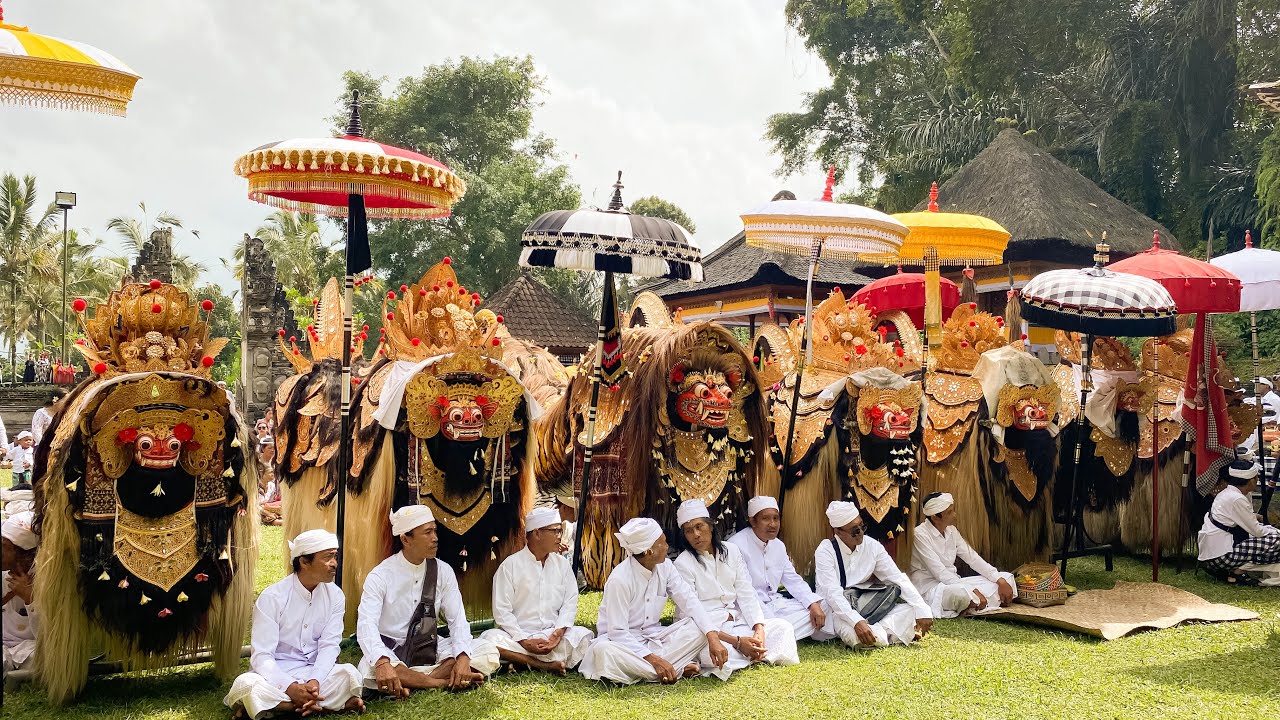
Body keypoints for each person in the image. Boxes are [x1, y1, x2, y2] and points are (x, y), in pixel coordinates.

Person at [357, 505, 498, 696]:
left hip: (429, 649)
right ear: (406, 539)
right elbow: (366, 625)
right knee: (370, 668)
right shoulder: (380, 576)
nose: (435, 538)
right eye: (427, 532)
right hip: (391, 652)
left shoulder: (443, 571)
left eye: (435, 531)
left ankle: (413, 681)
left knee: (487, 651)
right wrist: (382, 662)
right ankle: (440, 682)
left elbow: (457, 620)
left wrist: (463, 658)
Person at [223, 530, 363, 718]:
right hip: (277, 673)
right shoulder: (272, 598)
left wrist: (315, 681)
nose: (334, 564)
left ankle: (279, 708)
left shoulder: (335, 596)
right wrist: (290, 687)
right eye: (328, 557)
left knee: (350, 674)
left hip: (315, 673)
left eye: (335, 557)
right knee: (246, 684)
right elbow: (262, 656)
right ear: (304, 562)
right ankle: (324, 706)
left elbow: (329, 646)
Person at [579, 517, 728, 684]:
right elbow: (617, 632)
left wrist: (712, 636)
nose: (667, 546)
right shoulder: (620, 580)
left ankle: (657, 669)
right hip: (624, 645)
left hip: (656, 637)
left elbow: (688, 600)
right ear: (649, 551)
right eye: (662, 542)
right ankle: (672, 668)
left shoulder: (666, 567)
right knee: (603, 651)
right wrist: (654, 660)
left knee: (701, 628)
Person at [672, 499, 799, 679]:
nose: (696, 535)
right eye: (689, 531)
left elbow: (746, 592)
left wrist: (759, 629)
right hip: (706, 631)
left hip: (736, 623)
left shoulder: (732, 551)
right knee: (715, 651)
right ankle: (755, 654)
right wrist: (738, 642)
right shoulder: (682, 563)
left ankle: (752, 651)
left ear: (710, 526)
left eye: (699, 527)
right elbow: (693, 614)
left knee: (783, 627)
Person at [480, 507, 594, 674]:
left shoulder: (562, 565)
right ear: (537, 533)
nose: (559, 536)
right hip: (518, 637)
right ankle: (544, 665)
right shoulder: (510, 566)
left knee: (584, 636)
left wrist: (558, 634)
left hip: (551, 636)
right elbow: (502, 612)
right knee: (489, 639)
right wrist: (524, 641)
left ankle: (519, 661)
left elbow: (570, 603)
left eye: (560, 531)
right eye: (555, 531)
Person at [814, 501, 933, 647]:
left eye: (862, 527)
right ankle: (888, 633)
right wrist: (857, 621)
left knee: (912, 610)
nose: (861, 533)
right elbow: (833, 594)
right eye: (855, 530)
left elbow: (896, 577)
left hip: (867, 605)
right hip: (837, 611)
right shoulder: (825, 551)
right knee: (856, 638)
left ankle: (878, 633)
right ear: (838, 532)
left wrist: (922, 608)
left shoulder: (872, 546)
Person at [728, 496, 831, 641]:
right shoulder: (736, 545)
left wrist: (812, 604)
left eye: (776, 518)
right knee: (777, 626)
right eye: (766, 519)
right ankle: (780, 633)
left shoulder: (778, 545)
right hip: (749, 610)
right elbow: (746, 593)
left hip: (776, 604)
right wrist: (772, 621)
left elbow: (793, 580)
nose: (773, 524)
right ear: (752, 521)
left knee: (824, 605)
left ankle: (782, 634)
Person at [909, 492, 1017, 617]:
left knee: (1007, 578)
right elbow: (939, 572)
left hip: (956, 582)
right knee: (960, 594)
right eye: (949, 512)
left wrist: (999, 580)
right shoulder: (919, 535)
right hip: (931, 589)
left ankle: (976, 603)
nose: (954, 515)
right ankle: (980, 601)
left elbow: (973, 558)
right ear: (935, 517)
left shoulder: (952, 531)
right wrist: (971, 590)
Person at [1198, 460, 1280, 585]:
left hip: (1212, 554)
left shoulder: (1227, 493)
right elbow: (1257, 531)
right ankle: (1238, 571)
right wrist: (1275, 531)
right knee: (1277, 540)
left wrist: (1255, 518)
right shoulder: (1237, 499)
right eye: (1256, 477)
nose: (1257, 480)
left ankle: (1237, 570)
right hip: (1220, 557)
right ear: (1250, 480)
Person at [2, 511, 37, 673]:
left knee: (50, 659)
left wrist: (30, 599)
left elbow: (51, 636)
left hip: (30, 649)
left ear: (23, 554)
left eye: (4, 547)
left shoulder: (47, 583)